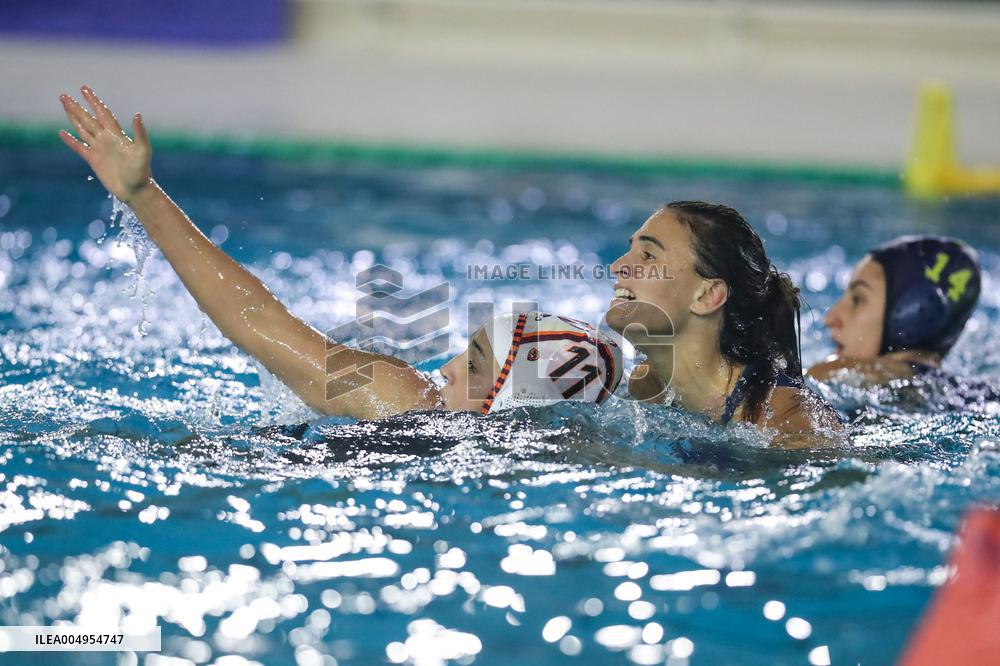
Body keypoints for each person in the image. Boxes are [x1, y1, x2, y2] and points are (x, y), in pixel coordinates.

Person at [58, 86, 622, 420]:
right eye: (465, 351)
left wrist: (140, 195)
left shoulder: (414, 410)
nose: (445, 368)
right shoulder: (399, 394)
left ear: (509, 403)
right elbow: (256, 321)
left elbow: (256, 320)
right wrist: (143, 195)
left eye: (473, 366)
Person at [609, 201, 844, 446]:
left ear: (707, 295)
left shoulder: (791, 423)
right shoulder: (647, 386)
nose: (617, 267)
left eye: (648, 256)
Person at [807, 235, 981, 385]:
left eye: (857, 299)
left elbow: (820, 376)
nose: (830, 319)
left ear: (913, 314)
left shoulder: (834, 374)